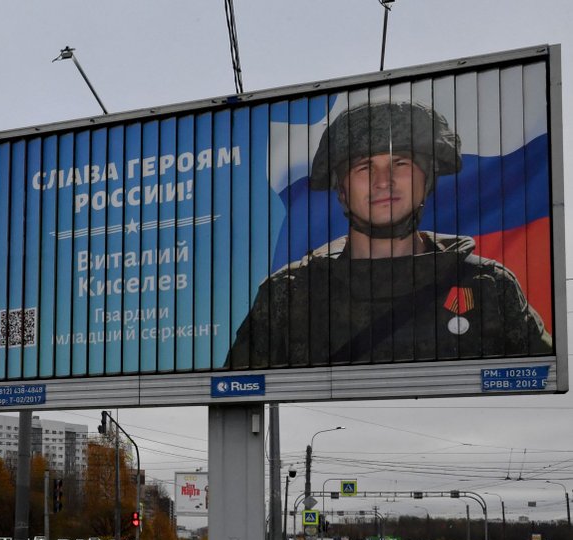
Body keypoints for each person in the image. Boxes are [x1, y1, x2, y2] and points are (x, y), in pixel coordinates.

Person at [227, 101, 552, 368]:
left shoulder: (488, 287)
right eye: (364, 168)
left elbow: (541, 374)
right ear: (341, 190)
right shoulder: (289, 294)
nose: (383, 181)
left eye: (400, 164)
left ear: (426, 180)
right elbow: (235, 387)